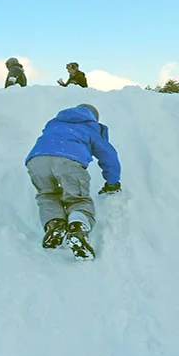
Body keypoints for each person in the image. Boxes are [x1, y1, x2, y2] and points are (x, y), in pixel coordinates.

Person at [24, 104, 121, 259]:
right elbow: (108, 155)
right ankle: (77, 230)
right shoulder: (92, 127)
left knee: (47, 195)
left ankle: (55, 225)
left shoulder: (55, 122)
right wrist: (112, 182)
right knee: (78, 198)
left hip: (37, 159)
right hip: (68, 159)